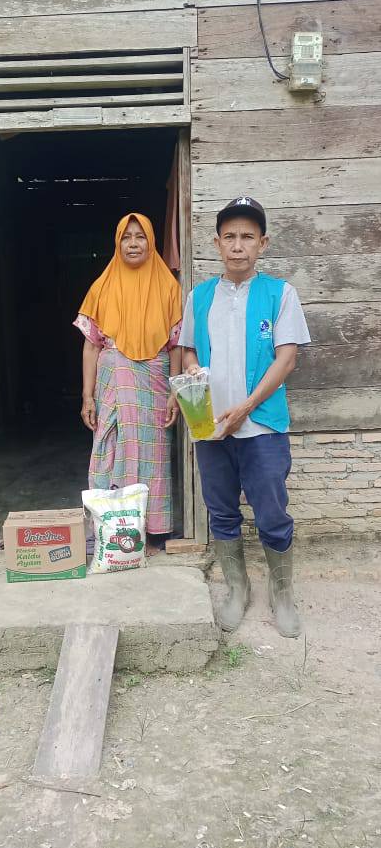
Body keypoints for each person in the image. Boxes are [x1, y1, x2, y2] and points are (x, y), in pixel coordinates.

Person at [179, 196, 310, 638]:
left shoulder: (280, 294)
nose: (238, 246)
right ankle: (238, 587)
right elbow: (188, 349)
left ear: (262, 243)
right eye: (230, 237)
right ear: (217, 243)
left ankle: (282, 592)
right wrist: (192, 369)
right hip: (211, 426)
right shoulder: (199, 297)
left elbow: (286, 359)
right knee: (221, 510)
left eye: (248, 237)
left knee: (272, 511)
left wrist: (247, 406)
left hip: (263, 425)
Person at [74, 212, 182, 551]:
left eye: (140, 236)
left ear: (151, 242)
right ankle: (112, 529)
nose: (133, 243)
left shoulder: (168, 287)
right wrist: (87, 396)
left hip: (154, 384)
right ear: (117, 243)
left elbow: (176, 345)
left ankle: (153, 531)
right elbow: (91, 346)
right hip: (112, 383)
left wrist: (175, 391)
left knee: (152, 452)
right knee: (109, 448)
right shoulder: (102, 286)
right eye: (126, 237)